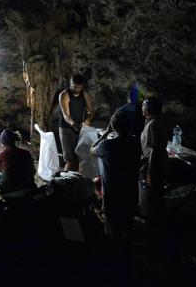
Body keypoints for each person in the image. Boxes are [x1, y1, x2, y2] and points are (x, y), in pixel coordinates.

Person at [91, 110, 141, 241]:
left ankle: (114, 251)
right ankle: (128, 251)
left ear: (113, 126)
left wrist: (106, 133)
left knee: (112, 226)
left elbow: (91, 149)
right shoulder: (135, 143)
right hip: (130, 189)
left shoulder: (107, 145)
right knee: (127, 222)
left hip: (112, 191)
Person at [139, 96, 169, 237]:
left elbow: (154, 151)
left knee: (149, 199)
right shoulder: (153, 121)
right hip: (154, 165)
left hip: (151, 167)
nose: (141, 108)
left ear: (149, 109)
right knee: (155, 197)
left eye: (144, 105)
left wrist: (150, 173)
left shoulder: (153, 125)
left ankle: (153, 232)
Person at [58, 74, 95, 171]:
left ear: (82, 86)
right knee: (69, 160)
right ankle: (65, 182)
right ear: (70, 84)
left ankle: (78, 182)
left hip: (81, 128)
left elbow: (91, 112)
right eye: (74, 87)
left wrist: (86, 121)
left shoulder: (85, 94)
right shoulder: (64, 95)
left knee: (80, 159)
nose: (76, 89)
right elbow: (66, 115)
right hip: (66, 129)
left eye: (78, 88)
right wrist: (74, 125)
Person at [0, 129, 36, 197]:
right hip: (28, 187)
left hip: (9, 191)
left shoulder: (3, 154)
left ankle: (1, 196)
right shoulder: (27, 153)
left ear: (3, 143)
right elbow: (33, 172)